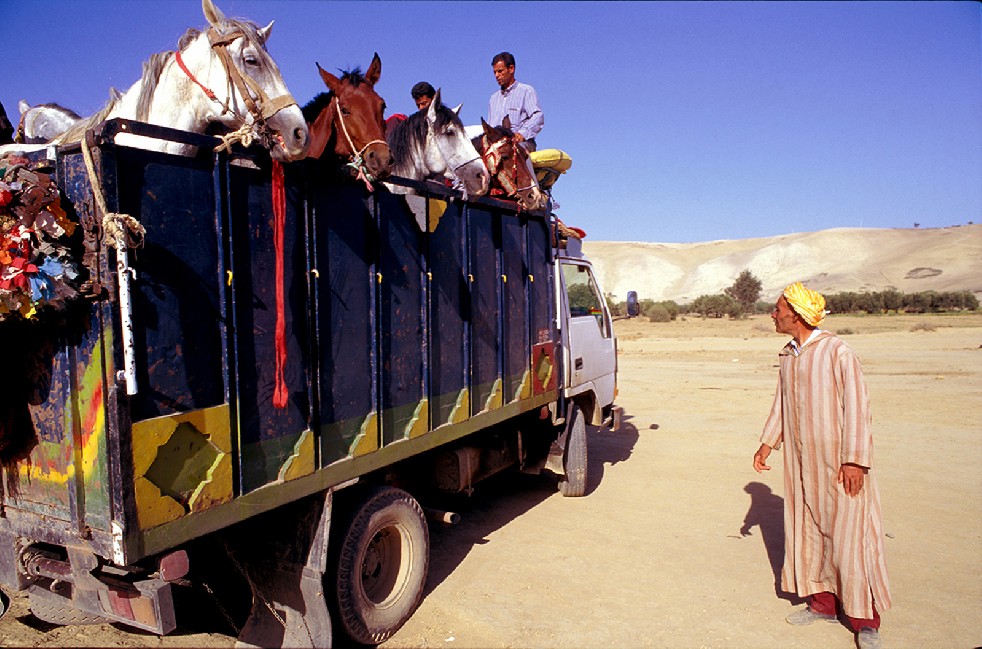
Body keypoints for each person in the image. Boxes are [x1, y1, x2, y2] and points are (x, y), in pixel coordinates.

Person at [753, 282, 891, 649]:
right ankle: (823, 604)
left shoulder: (837, 352)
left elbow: (859, 407)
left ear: (796, 314)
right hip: (801, 465)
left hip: (839, 463)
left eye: (778, 309)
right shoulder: (788, 354)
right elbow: (781, 403)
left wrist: (855, 461)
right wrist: (767, 444)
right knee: (810, 530)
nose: (774, 315)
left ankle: (865, 620)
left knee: (850, 536)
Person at [488, 52, 543, 152]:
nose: (497, 75)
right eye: (494, 72)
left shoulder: (526, 91)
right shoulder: (493, 98)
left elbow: (537, 117)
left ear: (511, 69)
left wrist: (522, 134)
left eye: (500, 71)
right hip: (498, 145)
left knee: (511, 151)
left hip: (521, 143)